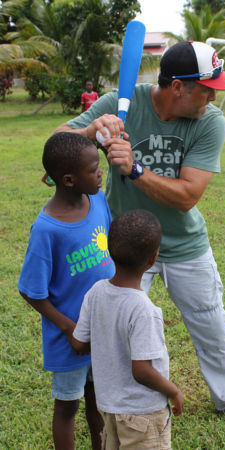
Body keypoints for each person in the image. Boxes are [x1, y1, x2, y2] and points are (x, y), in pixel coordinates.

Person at [54, 40, 225, 425]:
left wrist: (134, 170)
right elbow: (56, 142)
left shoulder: (210, 121)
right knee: (119, 331)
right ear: (178, 87)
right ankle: (124, 411)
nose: (213, 97)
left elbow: (187, 197)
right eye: (207, 88)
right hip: (128, 245)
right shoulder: (122, 102)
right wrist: (91, 130)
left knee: (212, 327)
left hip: (184, 244)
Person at [18, 132, 111, 450]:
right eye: (93, 168)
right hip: (69, 340)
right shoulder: (47, 229)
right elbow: (31, 290)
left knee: (99, 402)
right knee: (67, 409)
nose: (100, 172)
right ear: (69, 180)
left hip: (101, 332)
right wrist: (68, 327)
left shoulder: (98, 199)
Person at [71, 210, 184, 449]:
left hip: (109, 410)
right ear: (153, 259)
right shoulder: (144, 310)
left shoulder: (96, 292)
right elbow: (141, 370)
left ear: (109, 251)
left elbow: (79, 343)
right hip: (143, 413)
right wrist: (173, 391)